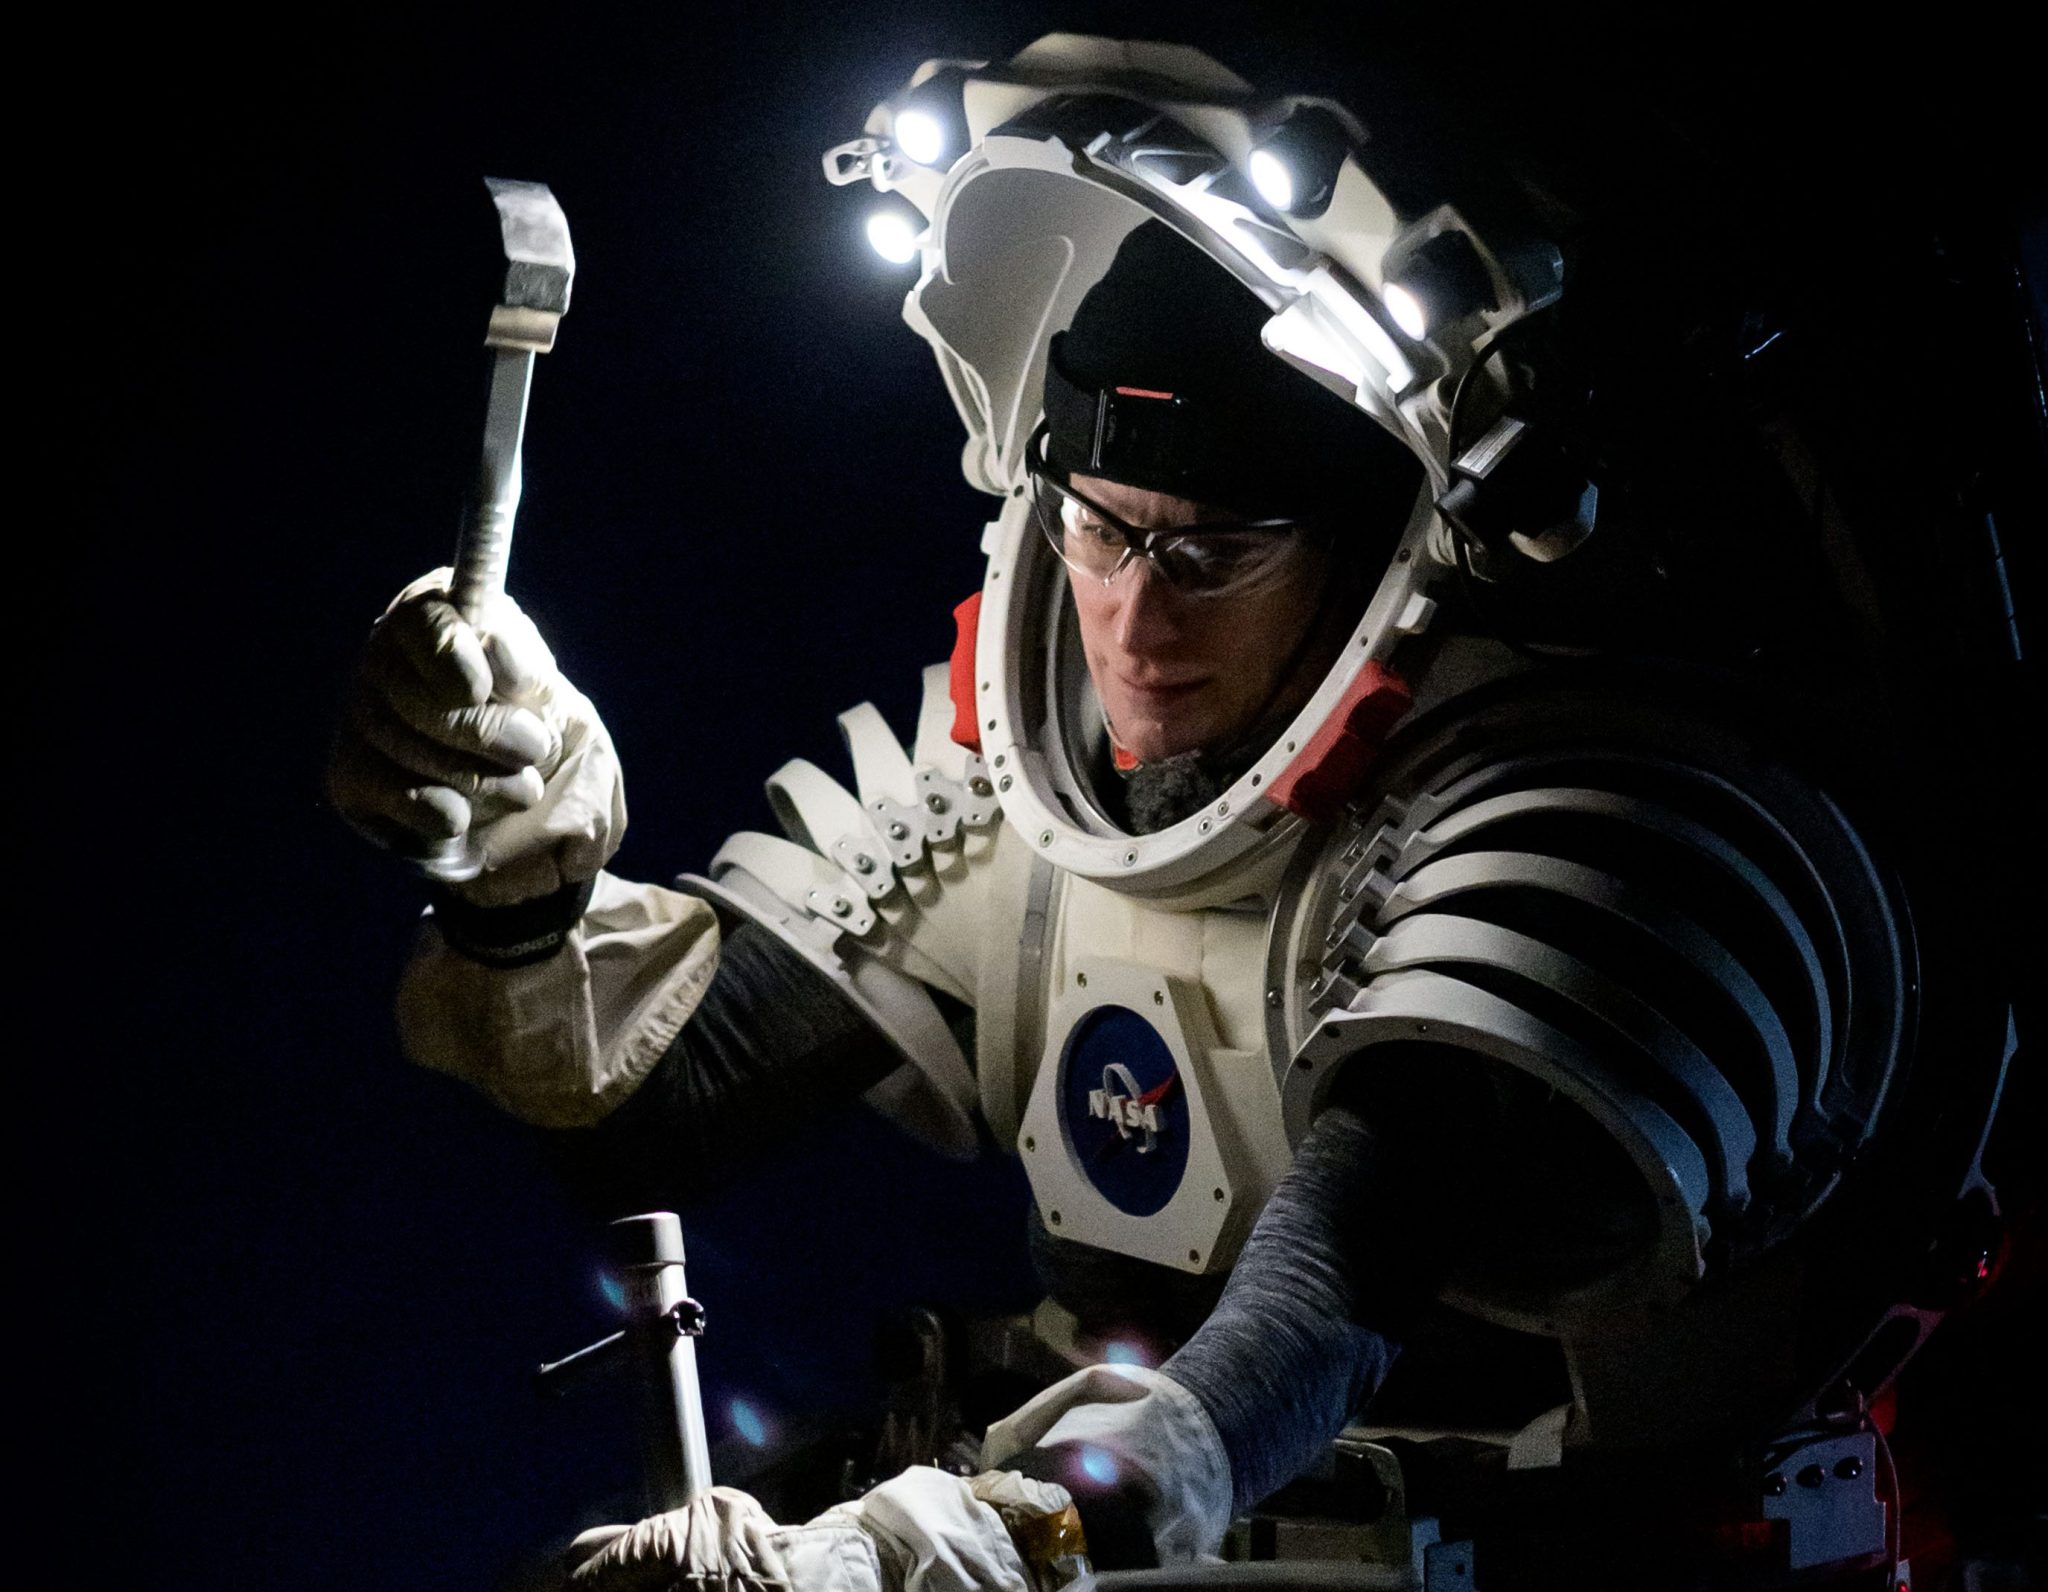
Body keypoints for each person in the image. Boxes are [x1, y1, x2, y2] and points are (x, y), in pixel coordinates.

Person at [331, 35, 2025, 1591]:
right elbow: (648, 1114)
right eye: (1099, 525)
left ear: (1374, 554)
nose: (1134, 623)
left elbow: (1333, 1295)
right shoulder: (1016, 756)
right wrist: (520, 882)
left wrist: (971, 1548)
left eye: (1214, 552)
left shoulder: (1606, 808)